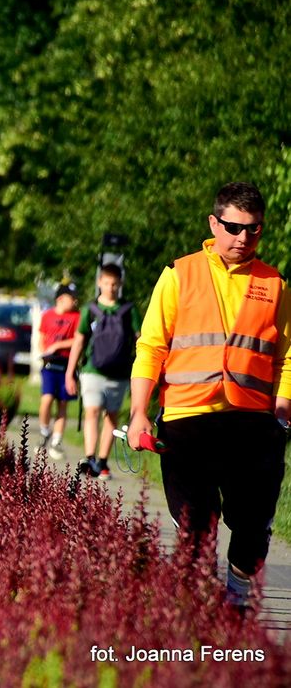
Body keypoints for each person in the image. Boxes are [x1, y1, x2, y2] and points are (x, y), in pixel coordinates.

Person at [128, 182, 291, 611]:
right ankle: (199, 610)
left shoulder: (274, 284)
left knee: (252, 525)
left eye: (254, 229)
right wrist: (139, 414)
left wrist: (283, 406)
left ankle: (237, 589)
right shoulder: (178, 273)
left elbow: (287, 356)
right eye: (234, 227)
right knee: (196, 525)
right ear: (213, 224)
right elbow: (151, 346)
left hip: (253, 424)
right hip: (187, 421)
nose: (243, 238)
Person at [64, 264, 141, 480]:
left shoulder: (128, 310)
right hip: (92, 371)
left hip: (119, 373)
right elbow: (79, 341)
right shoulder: (90, 309)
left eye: (114, 284)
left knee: (111, 416)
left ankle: (103, 461)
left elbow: (141, 339)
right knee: (92, 411)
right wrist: (70, 372)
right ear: (100, 283)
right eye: (107, 283)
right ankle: (90, 458)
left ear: (120, 284)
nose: (110, 287)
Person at [37, 283, 80, 460]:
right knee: (47, 399)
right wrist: (45, 351)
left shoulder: (77, 317)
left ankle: (57, 440)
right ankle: (44, 431)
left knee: (62, 403)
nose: (75, 301)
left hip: (66, 364)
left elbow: (78, 340)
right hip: (49, 364)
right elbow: (42, 337)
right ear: (61, 299)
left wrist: (58, 346)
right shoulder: (47, 316)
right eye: (72, 298)